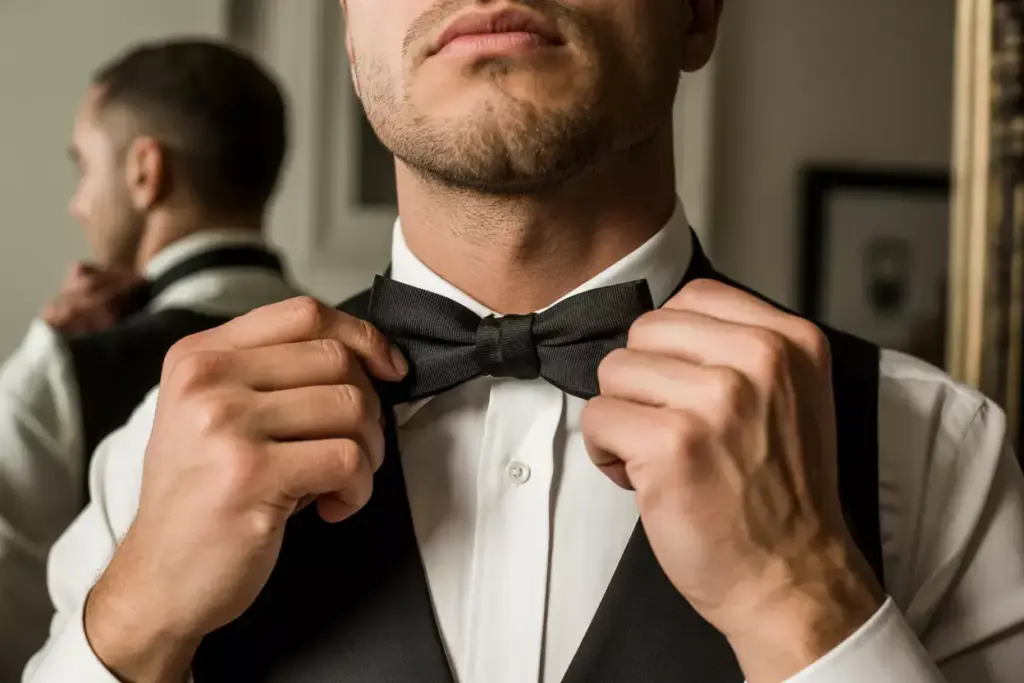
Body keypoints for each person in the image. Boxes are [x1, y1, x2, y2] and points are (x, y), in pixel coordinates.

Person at [24, 1, 1024, 681]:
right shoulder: (160, 450)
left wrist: (804, 600)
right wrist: (134, 624)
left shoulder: (934, 451)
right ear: (351, 33)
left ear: (698, 12)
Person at [0, 39, 298, 679]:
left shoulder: (60, 373)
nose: (77, 204)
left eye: (83, 167)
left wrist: (35, 365)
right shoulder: (376, 348)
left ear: (145, 170)